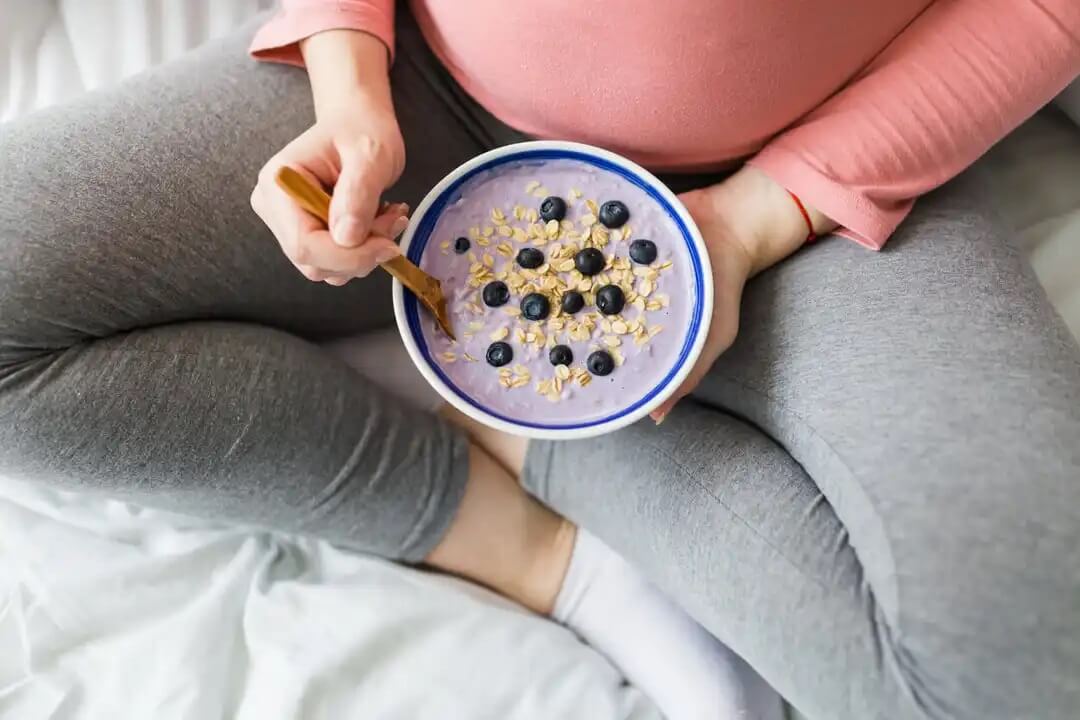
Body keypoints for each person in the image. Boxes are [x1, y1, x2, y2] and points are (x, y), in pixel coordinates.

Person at [2, 1, 1079, 718]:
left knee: (1014, 675)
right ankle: (500, 526)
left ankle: (538, 433)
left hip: (829, 172)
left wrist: (759, 217)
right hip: (422, 92)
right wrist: (347, 69)